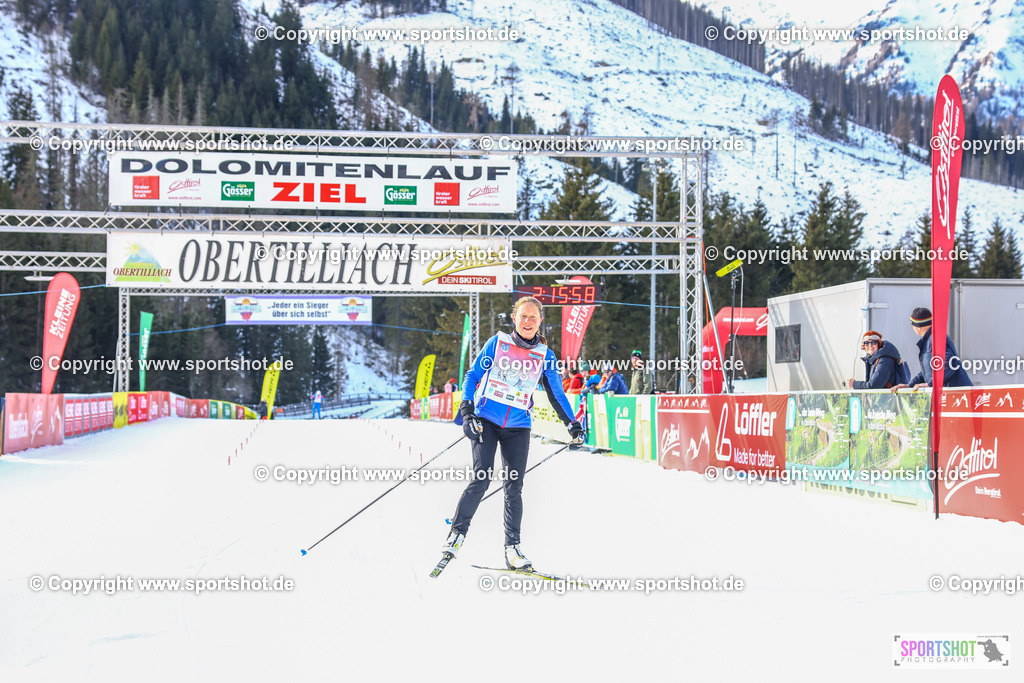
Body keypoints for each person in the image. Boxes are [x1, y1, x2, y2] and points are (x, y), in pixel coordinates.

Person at [442, 296, 584, 571]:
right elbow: (472, 377)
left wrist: (572, 423)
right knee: (482, 478)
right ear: (514, 319)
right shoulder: (498, 344)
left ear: (540, 320)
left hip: (518, 426)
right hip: (487, 419)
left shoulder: (545, 356)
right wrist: (467, 411)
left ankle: (512, 548)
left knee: (514, 487)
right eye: (523, 316)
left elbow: (556, 393)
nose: (528, 321)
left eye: (533, 317)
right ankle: (456, 535)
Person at [891, 307, 972, 391]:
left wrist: (930, 384)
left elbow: (950, 364)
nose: (913, 328)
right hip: (948, 395)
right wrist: (910, 385)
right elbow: (926, 373)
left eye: (913, 325)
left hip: (956, 394)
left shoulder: (935, 339)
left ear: (919, 327)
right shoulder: (928, 341)